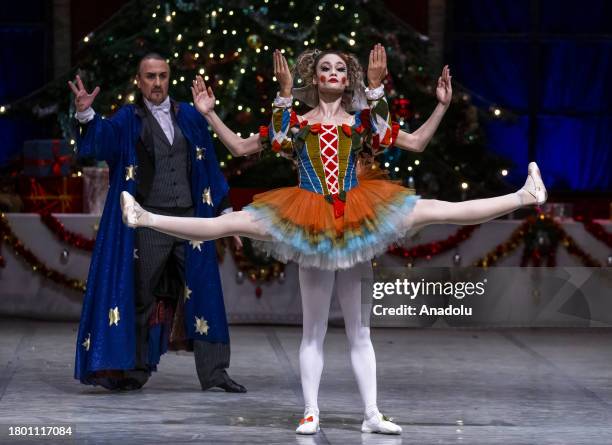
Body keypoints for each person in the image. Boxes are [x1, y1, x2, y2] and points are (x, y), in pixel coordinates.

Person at [120, 45, 547, 433]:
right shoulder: (297, 124)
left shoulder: (361, 122)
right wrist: (213, 113)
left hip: (358, 216)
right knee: (240, 238)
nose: (332, 73)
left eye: (340, 68)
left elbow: (414, 142)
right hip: (307, 218)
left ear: (349, 79)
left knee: (433, 216)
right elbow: (239, 147)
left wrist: (438, 106)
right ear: (314, 77)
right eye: (325, 67)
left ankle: (372, 413)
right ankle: (311, 410)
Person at [69, 52, 246, 393]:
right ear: (139, 81)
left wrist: (227, 216)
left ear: (169, 78)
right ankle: (133, 371)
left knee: (206, 293)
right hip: (149, 222)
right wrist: (85, 112)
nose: (157, 83)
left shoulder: (191, 117)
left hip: (192, 221)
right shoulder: (128, 119)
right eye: (150, 76)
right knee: (141, 296)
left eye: (162, 76)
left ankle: (215, 373)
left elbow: (209, 166)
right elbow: (101, 140)